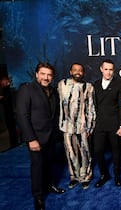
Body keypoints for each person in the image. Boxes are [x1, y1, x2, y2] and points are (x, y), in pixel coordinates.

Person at [16, 62, 65, 210]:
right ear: (36, 74)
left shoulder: (53, 91)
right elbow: (22, 116)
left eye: (49, 75)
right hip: (35, 137)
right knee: (37, 167)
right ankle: (38, 197)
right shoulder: (27, 89)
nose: (46, 77)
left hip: (50, 136)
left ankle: (50, 185)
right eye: (43, 74)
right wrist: (31, 139)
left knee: (49, 164)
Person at [58, 63, 96, 190]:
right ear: (70, 71)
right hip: (67, 127)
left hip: (83, 126)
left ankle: (85, 177)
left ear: (83, 73)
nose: (78, 72)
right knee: (70, 153)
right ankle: (74, 177)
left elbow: (91, 108)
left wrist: (90, 126)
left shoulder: (88, 87)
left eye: (80, 70)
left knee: (85, 152)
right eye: (75, 70)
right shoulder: (61, 85)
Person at [93, 59, 121, 188]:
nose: (108, 72)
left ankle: (117, 176)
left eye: (111, 69)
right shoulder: (95, 85)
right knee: (98, 150)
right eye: (106, 69)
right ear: (101, 69)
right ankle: (103, 174)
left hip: (114, 124)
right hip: (99, 124)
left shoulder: (119, 85)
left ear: (114, 70)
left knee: (116, 151)